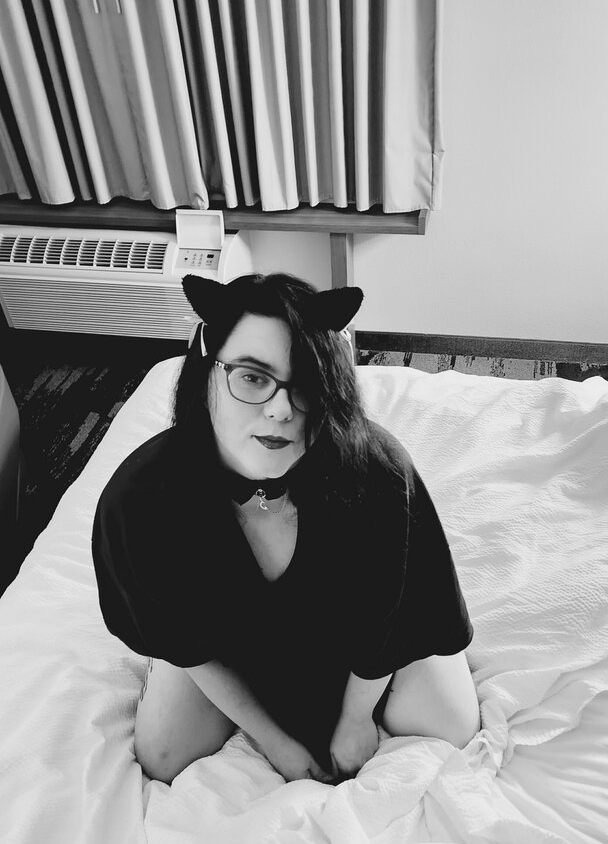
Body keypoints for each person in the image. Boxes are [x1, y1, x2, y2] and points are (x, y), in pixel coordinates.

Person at [92, 273, 479, 786]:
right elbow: (182, 638)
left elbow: (389, 614)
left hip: (354, 640)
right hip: (224, 646)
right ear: (207, 372)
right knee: (162, 756)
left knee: (454, 727)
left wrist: (354, 720)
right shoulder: (142, 499)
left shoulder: (377, 476)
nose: (281, 409)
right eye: (252, 377)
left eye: (305, 384)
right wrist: (275, 742)